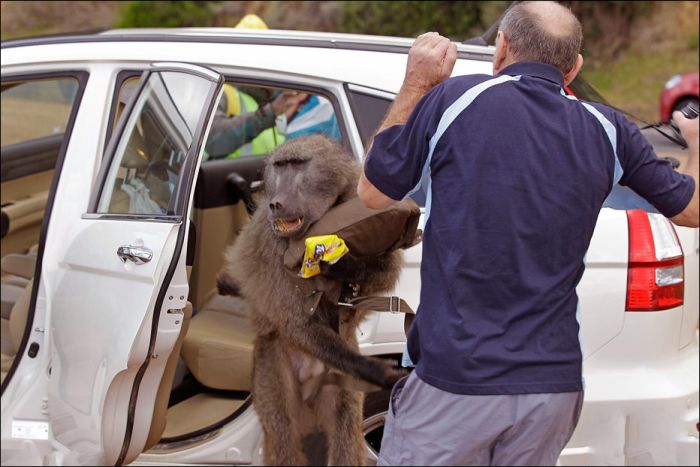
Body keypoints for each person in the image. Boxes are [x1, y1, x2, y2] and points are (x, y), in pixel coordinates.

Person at [356, 2, 698, 466]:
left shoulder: (454, 99)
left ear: (501, 47)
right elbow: (691, 210)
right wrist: (695, 145)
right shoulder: (608, 129)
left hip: (456, 383)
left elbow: (373, 191)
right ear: (574, 68)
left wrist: (417, 81)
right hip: (551, 390)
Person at [204, 85, 304, 159]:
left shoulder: (282, 100)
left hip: (268, 181)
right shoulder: (223, 92)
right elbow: (213, 142)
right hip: (231, 182)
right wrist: (269, 113)